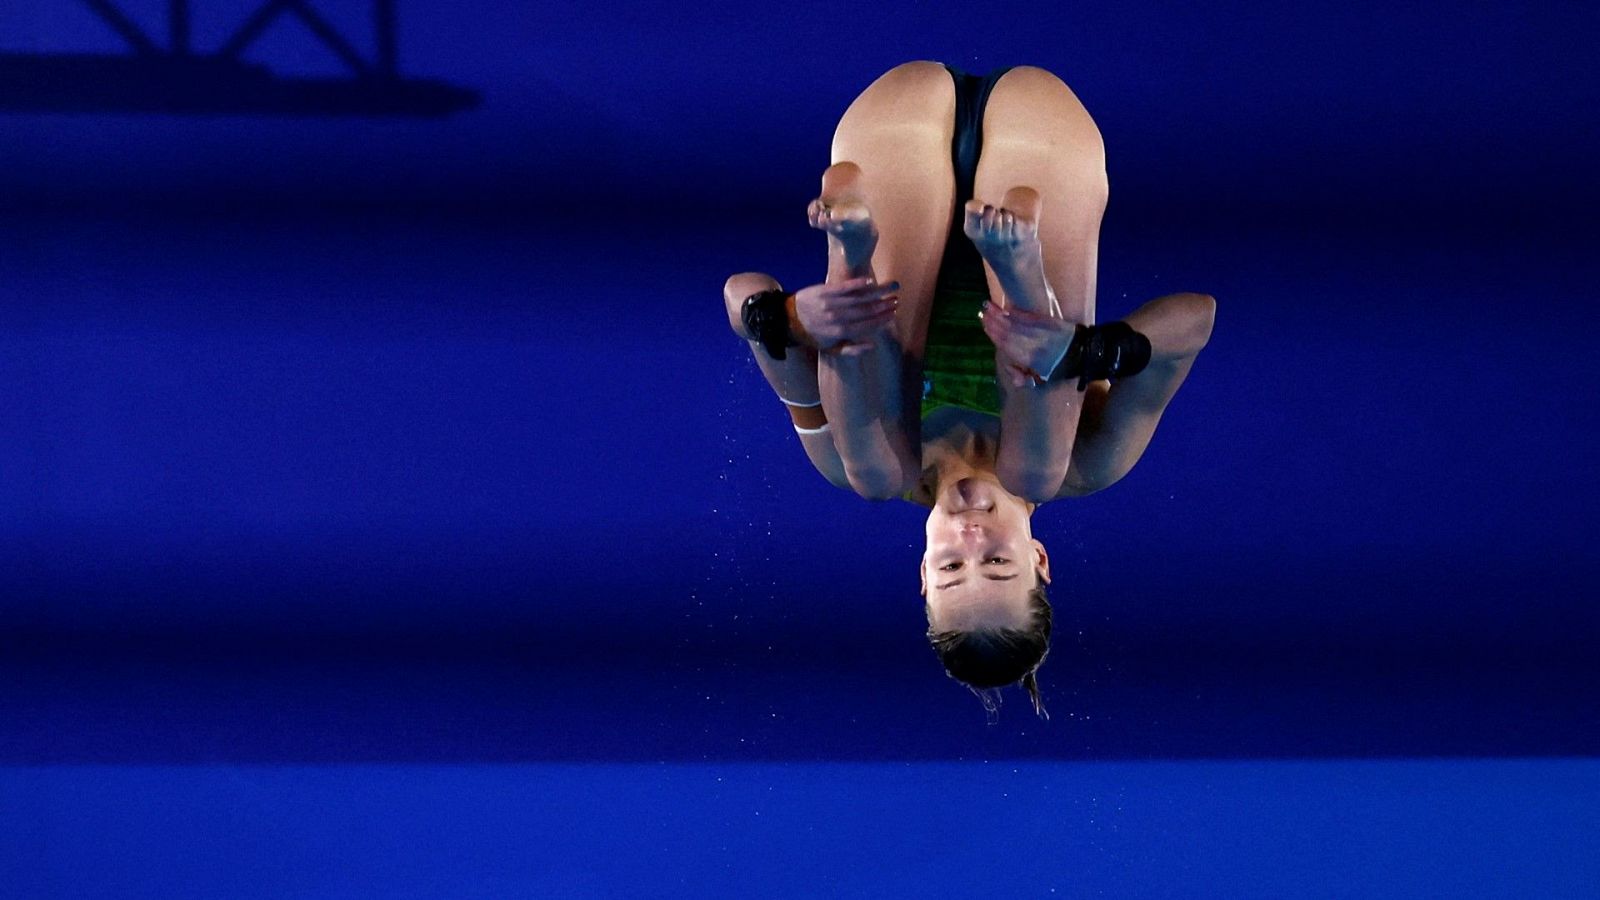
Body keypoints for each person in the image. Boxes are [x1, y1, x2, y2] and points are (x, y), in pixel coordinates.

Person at [722, 61, 1215, 718]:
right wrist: (1094, 351)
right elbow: (1194, 319)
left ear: (923, 573)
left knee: (869, 471)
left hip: (895, 145)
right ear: (1039, 558)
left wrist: (783, 320)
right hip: (1038, 157)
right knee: (1038, 468)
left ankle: (853, 259)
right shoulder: (1088, 464)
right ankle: (1022, 276)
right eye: (999, 564)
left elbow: (740, 295)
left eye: (951, 569)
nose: (969, 536)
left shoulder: (852, 461)